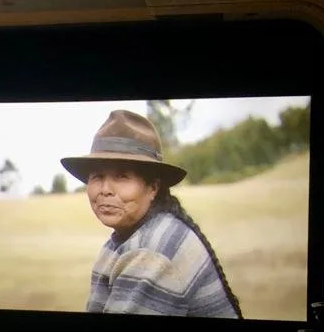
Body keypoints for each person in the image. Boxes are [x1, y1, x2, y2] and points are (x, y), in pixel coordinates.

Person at [61, 110, 242, 317]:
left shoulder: (152, 252)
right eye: (97, 176)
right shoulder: (126, 239)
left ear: (153, 188)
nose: (105, 190)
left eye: (122, 176)